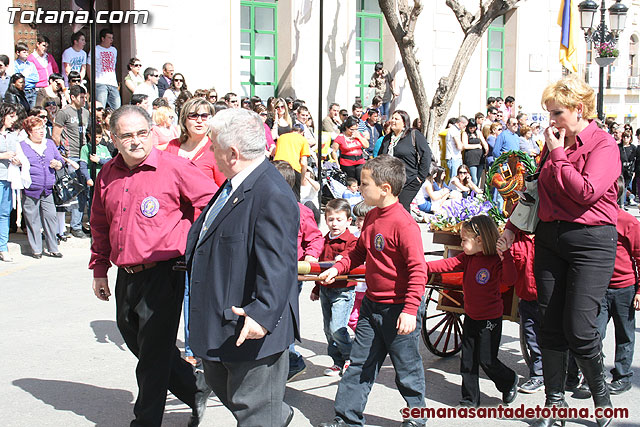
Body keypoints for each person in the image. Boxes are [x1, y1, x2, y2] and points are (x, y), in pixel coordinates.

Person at [498, 74, 620, 427]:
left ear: (578, 110)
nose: (551, 121)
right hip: (550, 238)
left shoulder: (603, 145)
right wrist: (510, 228)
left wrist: (558, 153)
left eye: (557, 113)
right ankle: (555, 404)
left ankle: (601, 396)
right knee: (549, 324)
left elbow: (585, 192)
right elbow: (534, 193)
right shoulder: (553, 145)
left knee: (580, 328)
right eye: (549, 113)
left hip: (591, 242)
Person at [90, 105, 216, 427]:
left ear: (151, 133)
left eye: (142, 133)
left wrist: (190, 240)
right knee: (134, 337)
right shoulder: (107, 174)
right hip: (126, 275)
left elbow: (211, 203)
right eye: (127, 135)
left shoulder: (174, 167)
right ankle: (195, 387)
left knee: (153, 357)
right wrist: (100, 269)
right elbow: (100, 223)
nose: (136, 141)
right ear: (114, 138)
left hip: (165, 273)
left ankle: (145, 421)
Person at [186, 108, 299, 426]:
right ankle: (276, 414)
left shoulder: (271, 193)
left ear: (232, 153)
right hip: (221, 323)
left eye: (213, 146)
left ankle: (271, 415)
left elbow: (279, 264)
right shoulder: (235, 184)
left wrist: (262, 315)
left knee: (255, 414)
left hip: (252, 328)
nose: (209, 152)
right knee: (236, 398)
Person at [318, 155, 428, 427]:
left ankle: (417, 417)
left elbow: (418, 269)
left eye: (365, 184)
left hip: (399, 308)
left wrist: (411, 309)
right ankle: (346, 418)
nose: (360, 188)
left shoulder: (404, 224)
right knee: (359, 364)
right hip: (371, 305)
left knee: (407, 369)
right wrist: (338, 267)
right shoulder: (372, 217)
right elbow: (357, 252)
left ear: (385, 189)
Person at [427, 215, 519, 407]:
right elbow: (446, 265)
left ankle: (509, 380)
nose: (461, 243)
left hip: (490, 320)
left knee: (487, 360)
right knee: (467, 361)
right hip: (471, 316)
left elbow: (510, 280)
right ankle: (469, 400)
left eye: (464, 239)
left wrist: (506, 255)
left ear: (479, 240)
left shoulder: (496, 260)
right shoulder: (467, 258)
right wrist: (421, 266)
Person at [272, 160, 323, 382]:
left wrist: (311, 256)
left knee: (283, 315)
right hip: (269, 269)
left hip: (292, 271)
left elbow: (315, 237)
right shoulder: (263, 207)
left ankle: (292, 359)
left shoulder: (300, 211)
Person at [595, 177, 640, 396]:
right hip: (599, 288)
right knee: (594, 332)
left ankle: (622, 376)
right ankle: (594, 375)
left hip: (625, 288)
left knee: (625, 335)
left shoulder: (628, 222)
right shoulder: (594, 220)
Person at [310, 198, 358, 376]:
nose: (334, 224)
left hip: (343, 290)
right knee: (327, 329)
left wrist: (342, 259)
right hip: (325, 289)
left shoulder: (351, 241)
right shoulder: (324, 240)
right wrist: (316, 289)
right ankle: (337, 361)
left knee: (337, 327)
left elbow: (352, 254)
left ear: (348, 221)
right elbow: (320, 268)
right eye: (330, 219)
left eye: (339, 220)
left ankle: (351, 357)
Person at [503, 228, 544, 394]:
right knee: (532, 338)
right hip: (526, 296)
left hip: (551, 298)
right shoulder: (515, 238)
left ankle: (572, 370)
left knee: (556, 337)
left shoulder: (549, 232)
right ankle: (538, 375)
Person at [17, 116, 64, 258]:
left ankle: (53, 247)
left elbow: (61, 160)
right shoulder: (22, 145)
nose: (42, 131)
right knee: (33, 220)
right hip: (31, 188)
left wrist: (57, 164)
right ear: (29, 132)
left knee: (50, 217)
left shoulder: (49, 144)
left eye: (42, 128)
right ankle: (36, 249)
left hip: (48, 188)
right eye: (37, 129)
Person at [52, 84, 90, 239]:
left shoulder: (86, 112)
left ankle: (79, 223)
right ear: (73, 97)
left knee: (85, 192)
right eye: (81, 97)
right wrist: (64, 156)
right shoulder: (64, 113)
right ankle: (74, 226)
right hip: (71, 155)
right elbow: (56, 135)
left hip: (83, 155)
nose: (83, 100)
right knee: (75, 191)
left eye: (85, 97)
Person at [377, 110, 432, 211]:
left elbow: (426, 155)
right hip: (391, 181)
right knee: (390, 208)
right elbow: (380, 157)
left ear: (404, 122)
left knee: (401, 207)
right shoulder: (387, 139)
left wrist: (420, 177)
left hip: (410, 180)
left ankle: (407, 227)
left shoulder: (413, 134)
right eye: (392, 118)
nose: (392, 121)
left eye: (396, 119)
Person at [165, 97, 225, 187]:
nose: (199, 121)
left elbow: (223, 190)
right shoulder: (172, 146)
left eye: (204, 116)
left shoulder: (217, 151)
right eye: (193, 116)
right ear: (184, 120)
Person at [347, 201, 375, 331]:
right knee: (351, 318)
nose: (357, 223)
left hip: (368, 285)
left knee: (366, 317)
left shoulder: (375, 237)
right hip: (355, 284)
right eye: (357, 219)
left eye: (361, 219)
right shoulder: (354, 237)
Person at [0, 103, 20, 262]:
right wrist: (3, 155)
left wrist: (17, 159)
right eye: (11, 116)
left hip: (8, 178)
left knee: (5, 213)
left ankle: (2, 246)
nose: (14, 119)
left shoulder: (12, 135)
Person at [272, 123, 310, 198]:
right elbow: (303, 162)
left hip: (277, 167)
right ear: (302, 133)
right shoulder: (303, 139)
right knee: (295, 197)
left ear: (291, 130)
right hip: (293, 169)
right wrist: (302, 178)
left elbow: (274, 152)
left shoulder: (281, 137)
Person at [88, 28, 121, 109]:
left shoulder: (114, 50)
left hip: (113, 83)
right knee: (100, 107)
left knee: (117, 106)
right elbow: (89, 65)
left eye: (112, 38)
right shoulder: (95, 49)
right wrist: (92, 81)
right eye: (109, 38)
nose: (111, 40)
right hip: (100, 82)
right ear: (103, 38)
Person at [331, 115, 368, 184]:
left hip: (360, 161)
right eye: (351, 129)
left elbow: (366, 145)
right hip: (347, 162)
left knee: (361, 180)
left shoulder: (358, 134)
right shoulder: (340, 137)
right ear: (346, 128)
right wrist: (337, 163)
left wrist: (359, 137)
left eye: (355, 129)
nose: (353, 132)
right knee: (351, 182)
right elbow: (333, 151)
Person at [462, 118, 488, 186]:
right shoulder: (465, 134)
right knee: (474, 179)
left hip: (479, 158)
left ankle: (475, 193)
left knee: (478, 177)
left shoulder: (478, 132)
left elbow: (484, 142)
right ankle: (472, 194)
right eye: (470, 128)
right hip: (471, 158)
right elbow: (465, 146)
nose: (472, 129)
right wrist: (477, 146)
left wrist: (486, 148)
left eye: (474, 127)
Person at [14, 43, 38, 108]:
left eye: (27, 52)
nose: (26, 54)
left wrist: (24, 78)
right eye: (24, 52)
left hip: (33, 91)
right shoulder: (15, 65)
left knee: (33, 111)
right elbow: (17, 79)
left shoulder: (31, 65)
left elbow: (36, 78)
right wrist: (24, 80)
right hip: (23, 92)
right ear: (18, 52)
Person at [618, 130, 635, 208]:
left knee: (625, 187)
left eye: (627, 137)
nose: (625, 138)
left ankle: (623, 202)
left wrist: (633, 170)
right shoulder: (619, 147)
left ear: (630, 138)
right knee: (621, 186)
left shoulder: (633, 148)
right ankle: (621, 204)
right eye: (624, 136)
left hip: (628, 171)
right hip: (620, 170)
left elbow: (635, 160)